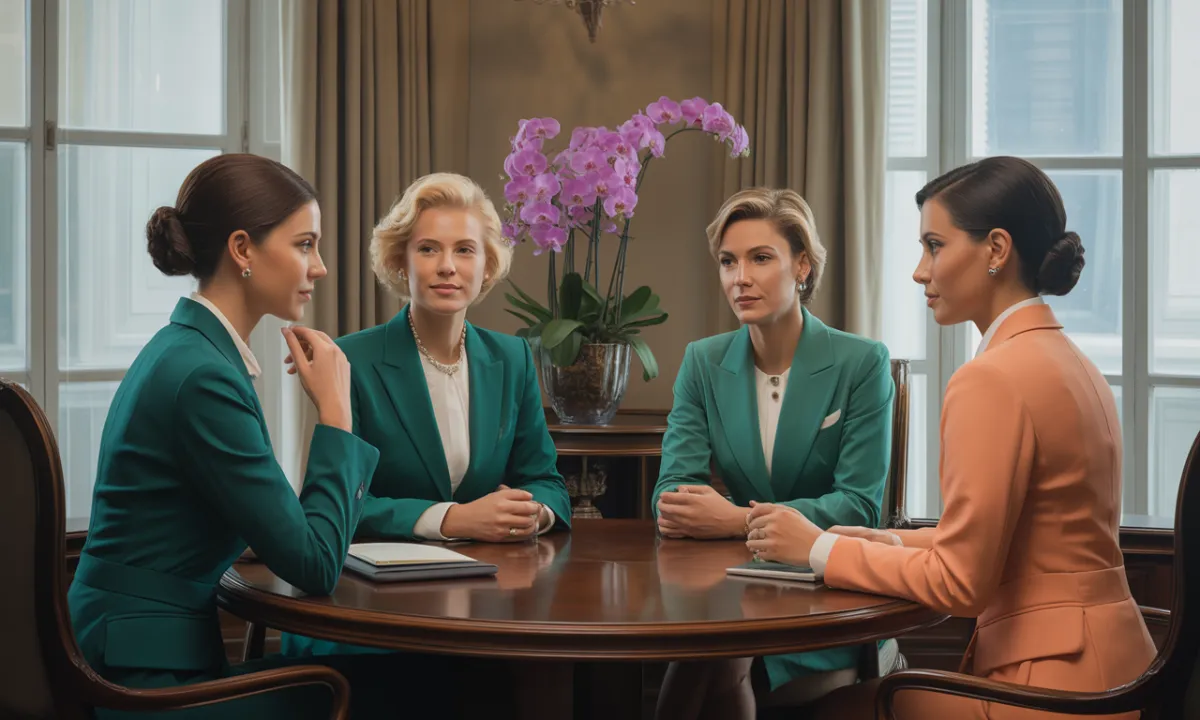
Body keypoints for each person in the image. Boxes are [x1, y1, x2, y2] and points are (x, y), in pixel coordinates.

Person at [744, 157, 1156, 720]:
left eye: (934, 246)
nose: (920, 271)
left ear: (996, 250)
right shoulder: (1072, 362)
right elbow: (1026, 538)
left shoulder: (991, 378)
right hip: (1117, 671)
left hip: (1043, 690)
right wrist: (879, 541)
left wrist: (817, 550)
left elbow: (960, 583)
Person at [66, 154, 420, 718]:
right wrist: (336, 411)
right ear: (242, 250)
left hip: (129, 651)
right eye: (305, 244)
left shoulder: (188, 349)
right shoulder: (204, 376)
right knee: (416, 687)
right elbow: (314, 566)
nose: (321, 267)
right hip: (142, 683)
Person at [280, 173, 571, 710]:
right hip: (370, 612)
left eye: (465, 250)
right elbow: (339, 507)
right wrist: (454, 519)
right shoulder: (351, 359)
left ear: (486, 266)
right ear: (400, 262)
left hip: (484, 605)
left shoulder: (511, 358)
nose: (447, 266)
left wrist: (533, 512)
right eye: (429, 249)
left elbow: (546, 481)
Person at [650, 187, 899, 720]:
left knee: (712, 652)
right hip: (732, 586)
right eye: (728, 261)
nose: (740, 278)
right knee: (713, 644)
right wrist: (698, 514)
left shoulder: (862, 363)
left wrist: (736, 519)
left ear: (802, 266)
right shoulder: (703, 361)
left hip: (826, 593)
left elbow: (859, 506)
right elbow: (671, 495)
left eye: (760, 258)